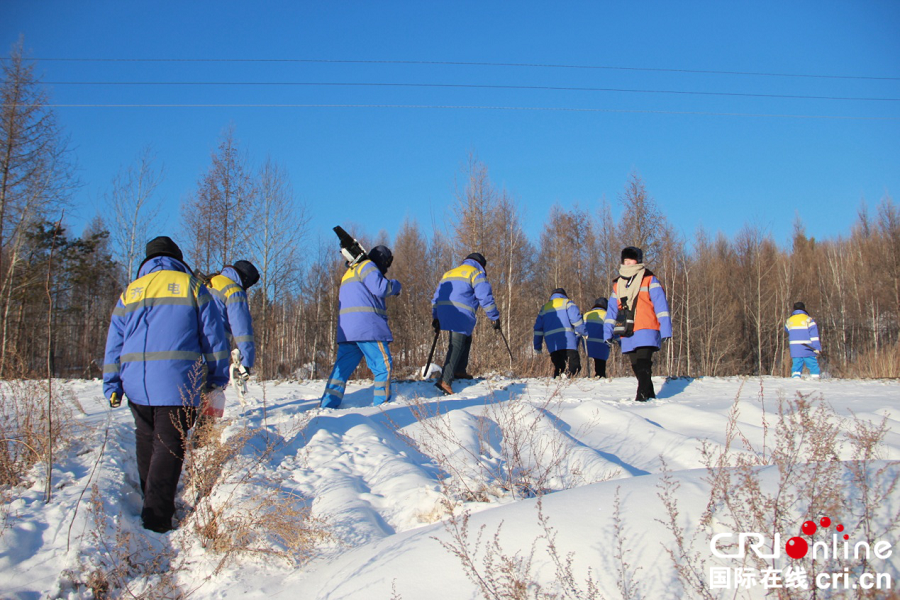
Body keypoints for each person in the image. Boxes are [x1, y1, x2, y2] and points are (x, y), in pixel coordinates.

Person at [103, 236, 230, 533]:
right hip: (177, 382)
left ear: (148, 260)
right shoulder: (193, 287)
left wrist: (112, 384)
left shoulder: (130, 292)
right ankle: (157, 518)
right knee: (169, 445)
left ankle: (152, 500)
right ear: (177, 258)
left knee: (146, 437)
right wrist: (217, 378)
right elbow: (214, 338)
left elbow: (114, 344)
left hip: (136, 384)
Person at [321, 246, 401, 409]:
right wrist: (395, 286)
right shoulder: (368, 266)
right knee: (382, 365)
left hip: (348, 331)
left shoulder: (349, 272)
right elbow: (380, 288)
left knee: (341, 370)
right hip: (368, 328)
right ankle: (382, 407)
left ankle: (327, 405)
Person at [603, 246, 672, 401]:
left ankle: (640, 398)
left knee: (643, 362)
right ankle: (650, 396)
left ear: (638, 261)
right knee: (636, 365)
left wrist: (666, 329)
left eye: (631, 260)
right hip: (627, 330)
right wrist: (607, 333)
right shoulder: (618, 284)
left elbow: (661, 306)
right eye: (625, 261)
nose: (627, 264)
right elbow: (611, 312)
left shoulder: (649, 279)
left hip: (647, 327)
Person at [431, 252, 501, 395]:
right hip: (460, 314)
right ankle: (445, 381)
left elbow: (436, 297)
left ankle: (459, 370)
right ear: (481, 264)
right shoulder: (476, 274)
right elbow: (485, 298)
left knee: (466, 338)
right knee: (456, 345)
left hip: (443, 311)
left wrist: (436, 317)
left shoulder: (449, 273)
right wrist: (494, 317)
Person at [208, 261, 259, 404]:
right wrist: (246, 362)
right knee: (213, 391)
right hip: (215, 350)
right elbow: (242, 331)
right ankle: (208, 425)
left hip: (191, 348)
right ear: (245, 279)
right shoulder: (234, 291)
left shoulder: (210, 281)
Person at [533, 288, 586, 378]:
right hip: (568, 341)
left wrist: (537, 346)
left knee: (559, 367)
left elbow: (538, 329)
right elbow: (576, 320)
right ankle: (566, 379)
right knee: (575, 366)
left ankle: (558, 384)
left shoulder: (545, 308)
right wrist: (584, 332)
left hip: (552, 344)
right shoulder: (568, 303)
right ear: (564, 295)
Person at [785, 301, 822, 379]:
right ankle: (815, 378)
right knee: (812, 364)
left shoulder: (789, 320)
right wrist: (817, 348)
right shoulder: (808, 320)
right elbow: (814, 336)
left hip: (795, 348)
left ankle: (795, 378)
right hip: (807, 347)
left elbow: (788, 331)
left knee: (796, 365)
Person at [583, 297, 611, 378]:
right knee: (601, 364)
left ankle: (591, 375)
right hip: (601, 344)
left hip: (588, 344)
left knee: (595, 360)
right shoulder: (607, 315)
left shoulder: (586, 315)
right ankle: (600, 375)